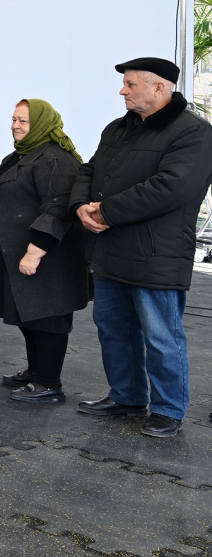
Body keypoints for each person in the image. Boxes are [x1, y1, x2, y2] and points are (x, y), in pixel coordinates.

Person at [71, 58, 212, 438]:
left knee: (161, 336)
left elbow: (172, 187)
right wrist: (80, 204)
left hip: (156, 254)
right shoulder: (118, 128)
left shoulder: (195, 132)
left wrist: (106, 211)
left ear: (159, 87)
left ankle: (168, 409)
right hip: (111, 248)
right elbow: (89, 170)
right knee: (113, 329)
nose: (122, 91)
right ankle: (127, 396)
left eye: (130, 84)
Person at [0, 99, 88, 405]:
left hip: (49, 256)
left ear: (43, 124)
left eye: (24, 121)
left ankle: (49, 383)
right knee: (30, 316)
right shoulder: (24, 154)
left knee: (49, 319)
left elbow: (58, 208)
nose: (15, 126)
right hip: (21, 252)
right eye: (14, 119)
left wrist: (35, 251)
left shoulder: (55, 159)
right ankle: (36, 372)